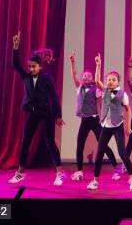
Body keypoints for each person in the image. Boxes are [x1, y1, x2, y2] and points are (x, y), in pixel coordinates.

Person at [8, 31, 66, 186]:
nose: (31, 69)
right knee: (26, 140)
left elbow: (54, 97)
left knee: (49, 141)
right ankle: (20, 172)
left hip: (46, 113)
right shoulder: (26, 77)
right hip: (32, 113)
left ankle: (60, 172)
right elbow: (15, 65)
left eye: (33, 67)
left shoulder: (47, 78)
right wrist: (15, 47)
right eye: (29, 67)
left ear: (40, 67)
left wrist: (58, 115)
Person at [87, 54, 132, 190]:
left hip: (117, 125)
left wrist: (128, 126)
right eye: (108, 79)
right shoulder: (104, 91)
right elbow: (97, 80)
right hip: (106, 125)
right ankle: (95, 181)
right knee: (99, 153)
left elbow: (128, 110)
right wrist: (98, 65)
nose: (110, 81)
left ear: (118, 82)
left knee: (122, 153)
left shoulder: (123, 94)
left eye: (113, 80)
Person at [69, 52, 121, 181]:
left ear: (92, 79)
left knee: (103, 145)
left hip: (95, 120)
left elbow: (100, 104)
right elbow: (73, 75)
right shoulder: (79, 87)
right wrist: (72, 62)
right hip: (84, 120)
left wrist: (102, 118)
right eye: (84, 75)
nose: (86, 77)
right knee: (79, 144)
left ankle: (116, 168)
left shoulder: (96, 89)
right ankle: (79, 171)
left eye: (89, 75)